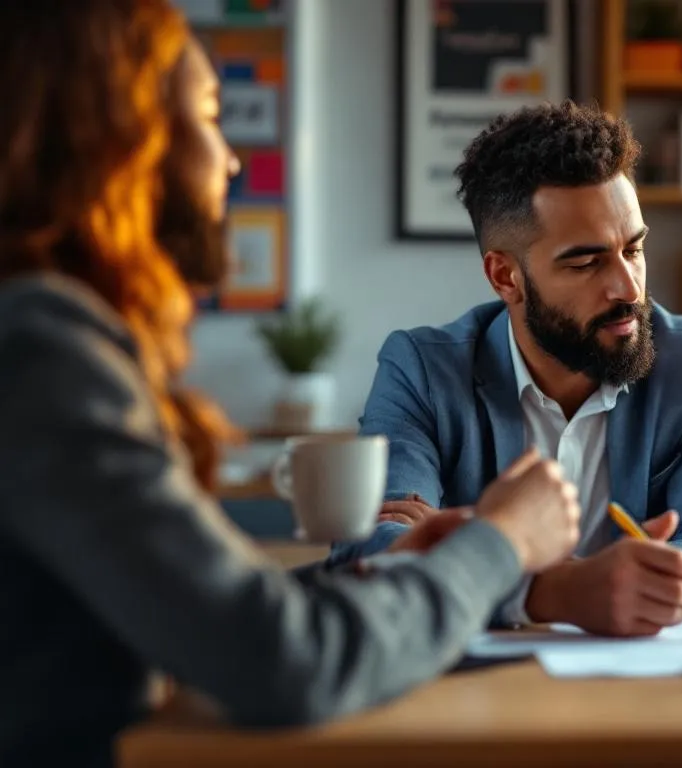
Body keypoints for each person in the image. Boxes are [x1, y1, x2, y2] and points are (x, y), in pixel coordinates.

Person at [0, 3, 580, 766]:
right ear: (120, 140)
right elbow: (283, 662)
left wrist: (417, 566)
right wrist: (500, 542)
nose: (231, 161)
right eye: (209, 117)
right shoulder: (43, 347)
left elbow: (204, 618)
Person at [328, 101, 682, 637]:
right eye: (585, 263)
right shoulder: (421, 371)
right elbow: (369, 552)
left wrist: (662, 581)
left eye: (634, 249)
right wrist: (561, 592)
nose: (628, 288)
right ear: (505, 277)